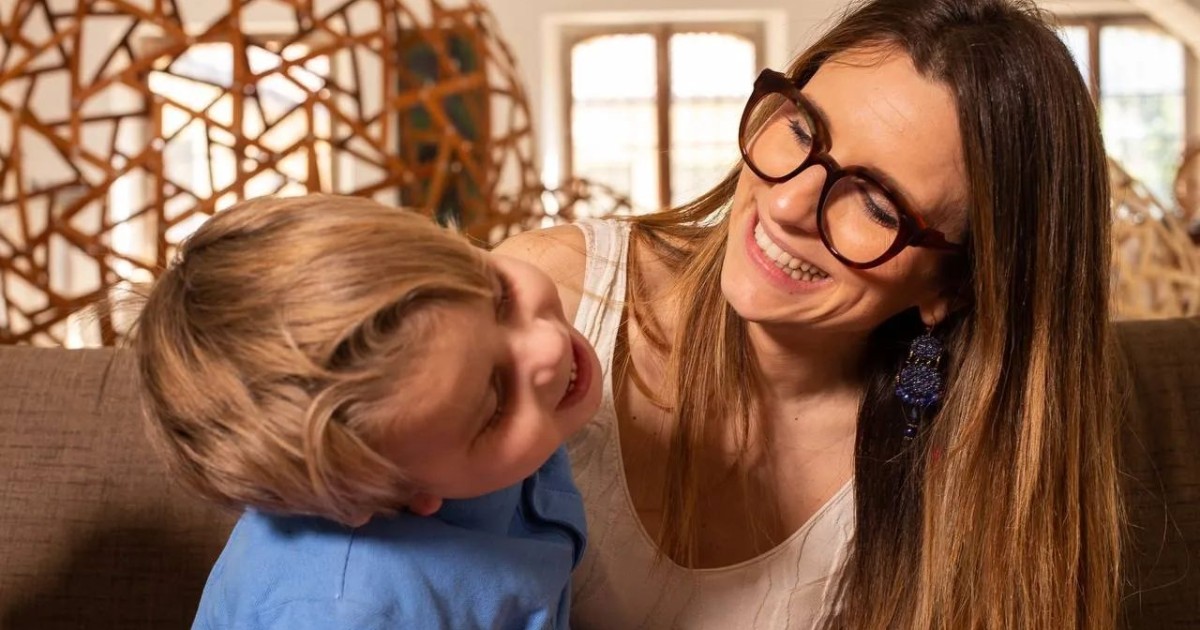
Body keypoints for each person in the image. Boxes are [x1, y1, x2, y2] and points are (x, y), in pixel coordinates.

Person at [495, 0, 1120, 627]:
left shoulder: (970, 478)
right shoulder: (557, 296)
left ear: (956, 286)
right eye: (800, 130)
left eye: (876, 205)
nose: (787, 202)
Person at [134, 193, 603, 629]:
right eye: (496, 401)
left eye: (501, 297)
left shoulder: (472, 449)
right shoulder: (353, 612)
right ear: (388, 498)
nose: (549, 347)